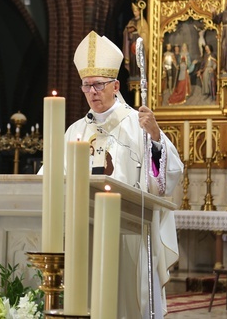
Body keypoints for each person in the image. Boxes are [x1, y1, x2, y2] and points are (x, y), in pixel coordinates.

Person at [66, 31, 183, 319]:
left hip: (129, 233)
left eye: (98, 85)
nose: (92, 92)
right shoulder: (75, 131)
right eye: (86, 85)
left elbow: (170, 174)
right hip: (84, 232)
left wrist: (155, 137)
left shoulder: (138, 125)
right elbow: (55, 177)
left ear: (116, 86)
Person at [122, 1, 149, 80]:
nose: (135, 13)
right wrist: (128, 31)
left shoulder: (142, 21)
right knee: (133, 58)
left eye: (136, 11)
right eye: (134, 11)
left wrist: (139, 31)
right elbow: (125, 32)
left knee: (139, 57)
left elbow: (146, 33)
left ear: (139, 11)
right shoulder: (131, 21)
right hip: (132, 42)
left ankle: (139, 74)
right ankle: (133, 74)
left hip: (139, 41)